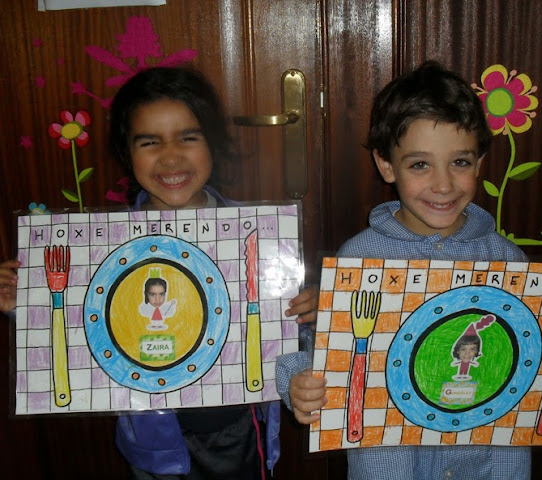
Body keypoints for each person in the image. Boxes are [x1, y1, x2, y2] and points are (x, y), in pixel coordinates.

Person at [275, 61, 542, 480]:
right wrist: (297, 381)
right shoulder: (360, 257)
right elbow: (321, 351)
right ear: (386, 165)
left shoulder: (509, 262)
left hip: (489, 465)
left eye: (459, 161)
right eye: (420, 165)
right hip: (391, 465)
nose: (443, 185)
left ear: (479, 163)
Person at [0, 66, 318, 480]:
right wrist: (24, 303)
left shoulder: (259, 236)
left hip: (238, 432)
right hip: (152, 442)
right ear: (127, 153)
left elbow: (291, 339)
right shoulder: (101, 248)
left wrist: (310, 312)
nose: (170, 157)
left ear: (213, 144)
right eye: (149, 142)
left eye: (188, 137)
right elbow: (77, 324)